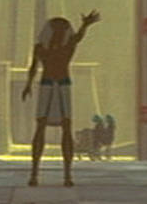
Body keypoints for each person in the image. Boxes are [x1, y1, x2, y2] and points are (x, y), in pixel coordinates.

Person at [21, 10, 101, 187]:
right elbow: (33, 67)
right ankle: (34, 173)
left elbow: (77, 38)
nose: (58, 33)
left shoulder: (67, 47)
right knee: (41, 127)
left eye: (61, 30)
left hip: (62, 85)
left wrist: (85, 25)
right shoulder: (41, 48)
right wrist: (28, 85)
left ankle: (67, 175)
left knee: (66, 127)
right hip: (47, 85)